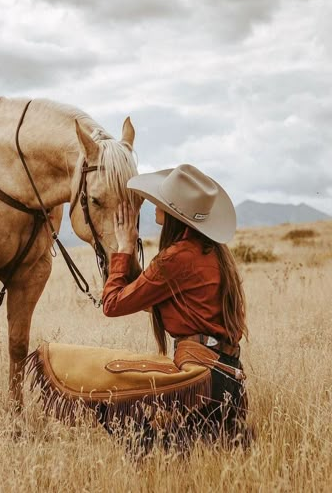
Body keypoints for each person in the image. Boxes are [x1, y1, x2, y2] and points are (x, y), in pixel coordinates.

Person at [102, 163, 250, 449]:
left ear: (172, 213)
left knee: (114, 412)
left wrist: (123, 248)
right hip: (226, 374)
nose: (153, 205)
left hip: (200, 374)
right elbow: (152, 298)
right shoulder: (212, 251)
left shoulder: (176, 257)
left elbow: (112, 304)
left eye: (159, 202)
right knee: (204, 451)